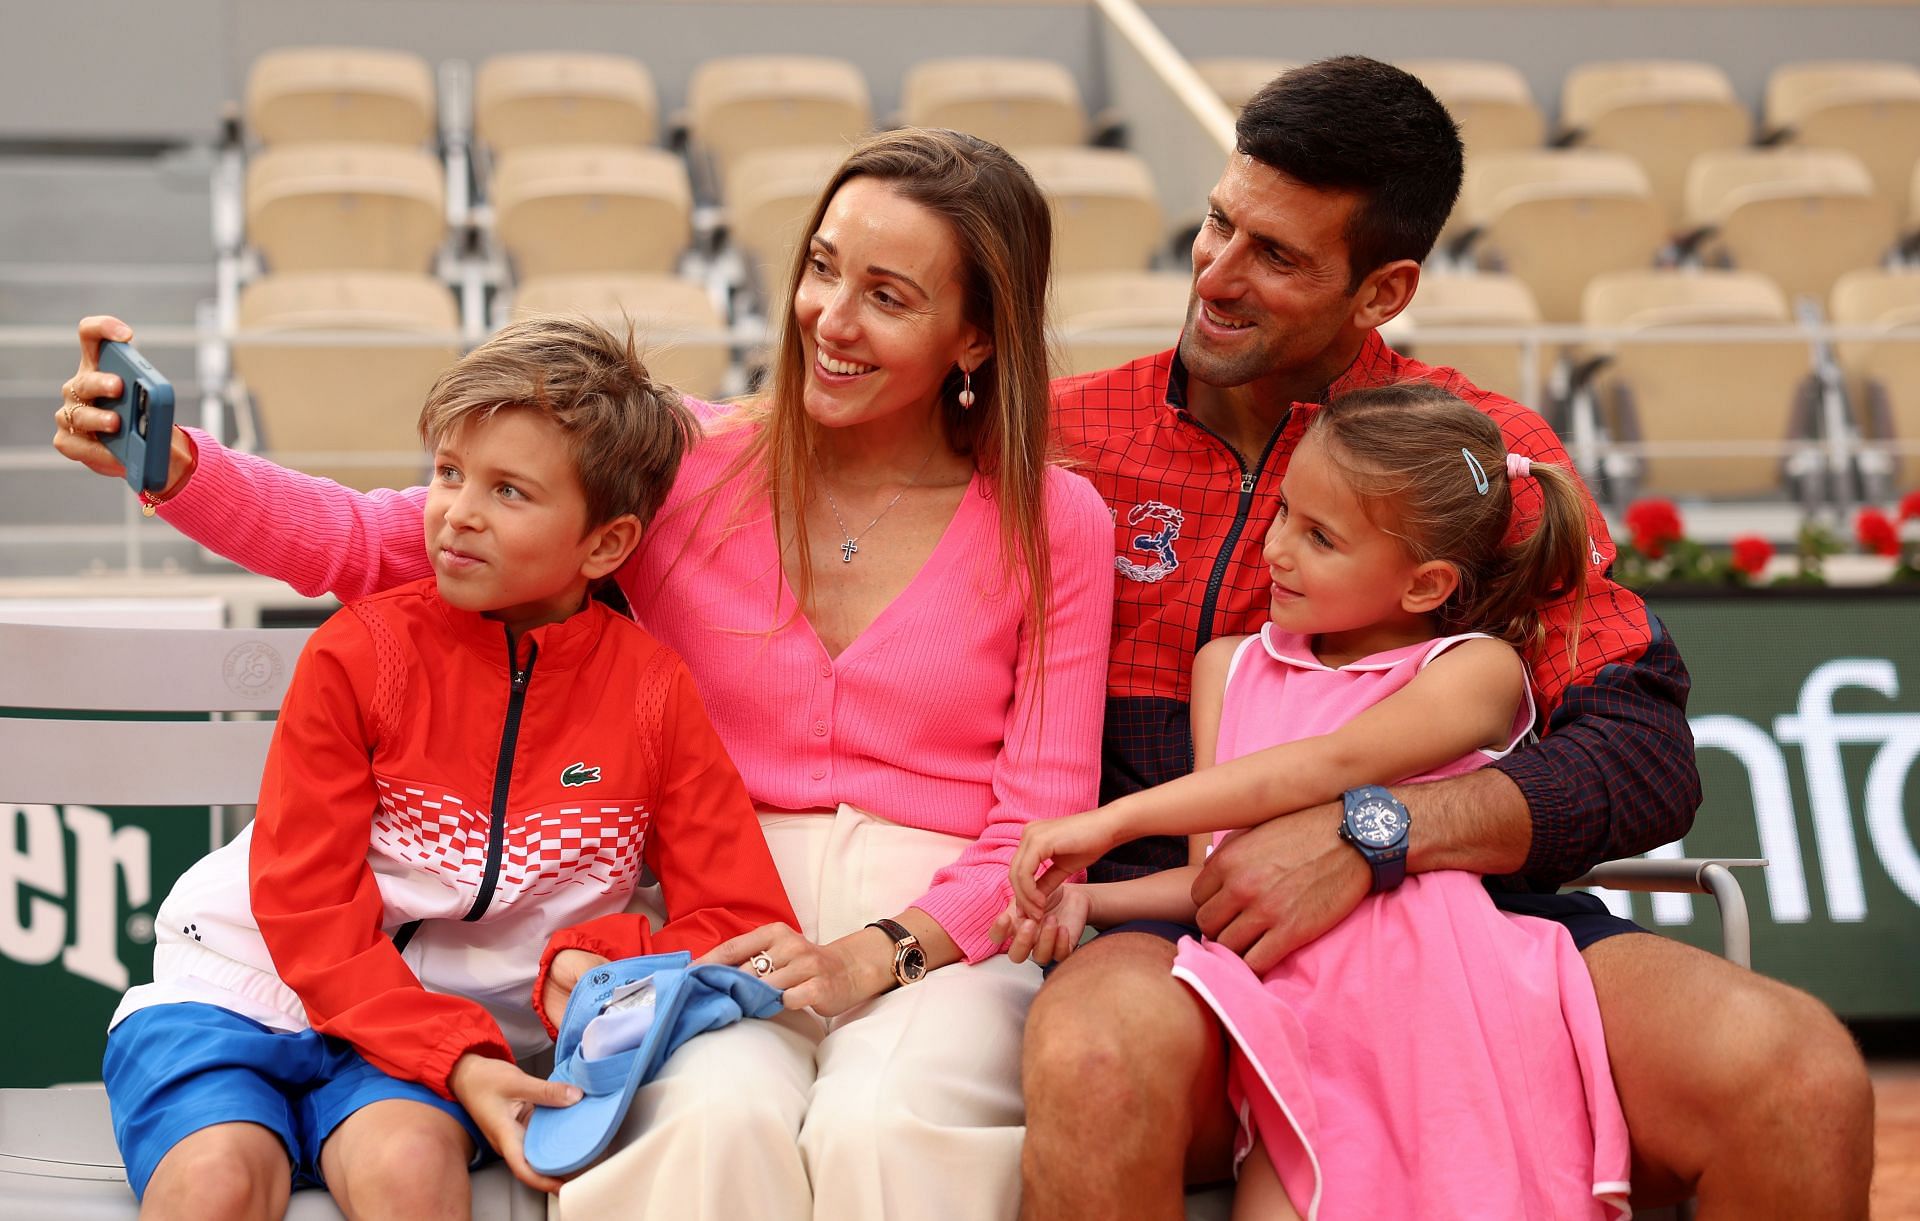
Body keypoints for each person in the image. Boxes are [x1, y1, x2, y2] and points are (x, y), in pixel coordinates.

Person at [56, 128, 1113, 1220]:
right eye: (821, 268)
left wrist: (877, 954)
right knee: (710, 1126)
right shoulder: (687, 466)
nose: (830, 319)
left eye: (888, 296)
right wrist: (183, 469)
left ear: (976, 336)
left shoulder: (1053, 519)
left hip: (932, 930)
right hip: (704, 916)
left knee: (880, 1130)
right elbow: (386, 544)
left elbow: (1040, 829)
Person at [1027, 57, 1874, 1221]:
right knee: (1092, 1060)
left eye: (1277, 257)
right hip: (1171, 929)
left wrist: (1373, 834)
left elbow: (1640, 754)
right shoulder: (1059, 437)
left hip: (1463, 926)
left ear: (1383, 292)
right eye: (1218, 225)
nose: (1216, 277)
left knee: (1800, 1074)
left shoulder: (1482, 454)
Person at [97, 316, 796, 1220]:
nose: (457, 511)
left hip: (432, 1040)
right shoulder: (359, 653)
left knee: (410, 1173)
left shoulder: (653, 691)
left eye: (509, 490)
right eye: (449, 473)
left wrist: (591, 954)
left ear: (607, 545)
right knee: (214, 1182)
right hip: (238, 990)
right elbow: (305, 909)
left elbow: (744, 921)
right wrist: (460, 1057)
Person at [1000, 383, 1631, 1219]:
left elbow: (1327, 763)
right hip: (1286, 1015)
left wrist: (1116, 818)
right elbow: (1212, 884)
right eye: (1285, 511)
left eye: (1321, 536)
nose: (1277, 550)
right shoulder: (1225, 666)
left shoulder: (1473, 670)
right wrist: (1087, 895)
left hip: (1437, 1005)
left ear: (1425, 583)